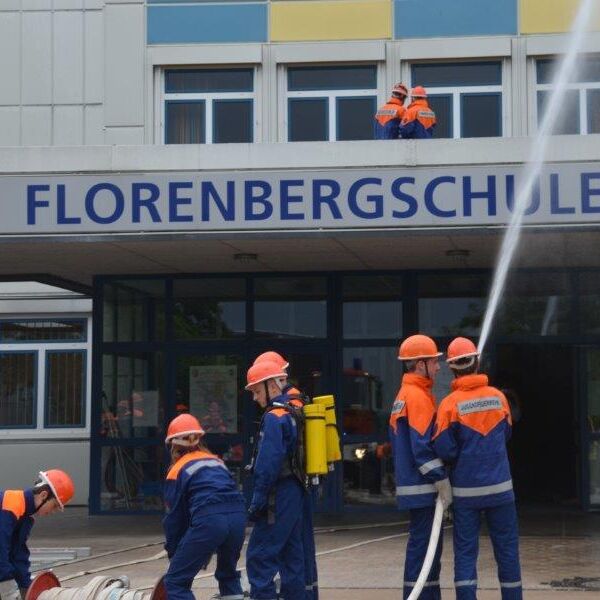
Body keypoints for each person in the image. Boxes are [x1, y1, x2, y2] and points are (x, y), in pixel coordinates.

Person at [433, 337, 522, 600]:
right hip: (501, 490)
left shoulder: (449, 404)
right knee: (507, 551)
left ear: (452, 367)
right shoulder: (498, 398)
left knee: (465, 553)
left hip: (466, 493)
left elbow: (445, 449)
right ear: (477, 361)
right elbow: (506, 433)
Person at [389, 334, 452, 600]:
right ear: (419, 364)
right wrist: (441, 480)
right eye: (434, 361)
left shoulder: (406, 394)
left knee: (424, 549)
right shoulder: (416, 397)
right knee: (425, 551)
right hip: (422, 486)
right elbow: (422, 449)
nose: (438, 367)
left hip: (414, 486)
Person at [252, 351, 318, 600]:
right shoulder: (293, 410)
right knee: (292, 559)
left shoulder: (274, 417)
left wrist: (258, 500)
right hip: (295, 489)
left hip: (278, 495)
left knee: (260, 558)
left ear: (272, 385)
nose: (255, 398)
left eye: (257, 391)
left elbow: (268, 465)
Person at [163, 413, 246, 600]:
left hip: (210, 519)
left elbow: (174, 520)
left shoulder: (176, 470)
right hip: (238, 517)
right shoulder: (216, 461)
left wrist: (175, 554)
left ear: (173, 445)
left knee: (176, 582)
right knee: (228, 575)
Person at [0, 470, 75, 600]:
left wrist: (26, 588)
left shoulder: (26, 516)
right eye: (55, 506)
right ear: (43, 495)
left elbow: (17, 555)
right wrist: (8, 589)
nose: (53, 511)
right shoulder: (11, 506)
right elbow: (1, 550)